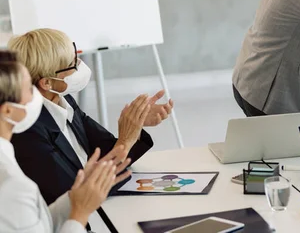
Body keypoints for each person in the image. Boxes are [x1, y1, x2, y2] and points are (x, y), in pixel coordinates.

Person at [7, 28, 174, 208]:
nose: (79, 66)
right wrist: (125, 141)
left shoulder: (62, 99)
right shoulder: (27, 130)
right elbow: (78, 193)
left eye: (76, 57)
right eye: (72, 65)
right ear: (47, 83)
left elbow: (104, 150)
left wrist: (136, 122)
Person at [0, 50, 131, 232]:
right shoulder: (12, 186)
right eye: (29, 89)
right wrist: (80, 213)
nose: (36, 95)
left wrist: (77, 195)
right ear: (8, 111)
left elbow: (38, 224)